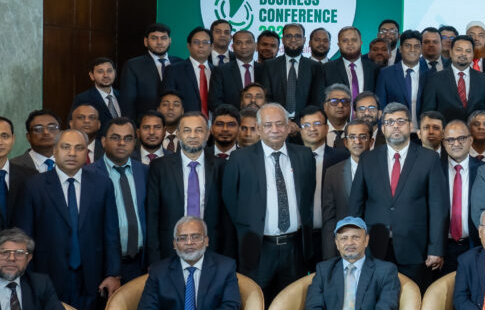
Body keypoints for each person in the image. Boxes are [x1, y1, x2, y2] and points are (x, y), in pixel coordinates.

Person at [12, 129, 122, 310]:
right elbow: (24, 237)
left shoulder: (102, 184)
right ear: (55, 150)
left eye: (79, 148)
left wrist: (113, 274)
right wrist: (28, 280)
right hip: (48, 277)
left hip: (93, 278)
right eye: (65, 147)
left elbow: (111, 232)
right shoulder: (34, 186)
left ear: (86, 153)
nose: (72, 153)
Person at [220, 103, 315, 297]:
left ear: (288, 127)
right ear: (259, 128)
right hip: (258, 249)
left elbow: (308, 196)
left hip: (295, 248)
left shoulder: (304, 156)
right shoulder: (239, 159)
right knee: (256, 304)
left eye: (280, 124)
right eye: (268, 125)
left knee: (293, 306)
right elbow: (229, 202)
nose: (275, 129)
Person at [347, 103, 446, 288]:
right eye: (390, 122)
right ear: (383, 128)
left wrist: (436, 248)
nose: (395, 126)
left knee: (413, 299)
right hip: (374, 248)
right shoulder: (368, 159)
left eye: (401, 121)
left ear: (410, 126)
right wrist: (354, 244)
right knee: (376, 300)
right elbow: (356, 205)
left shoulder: (429, 159)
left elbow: (438, 208)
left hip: (415, 249)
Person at [144, 113, 219, 269]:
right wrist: (154, 259)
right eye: (187, 130)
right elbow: (152, 216)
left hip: (211, 249)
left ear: (208, 134)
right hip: (169, 249)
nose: (193, 135)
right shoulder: (159, 167)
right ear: (178, 134)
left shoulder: (221, 166)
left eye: (199, 130)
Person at [89, 118, 150, 282]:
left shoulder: (145, 172)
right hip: (103, 267)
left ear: (135, 142)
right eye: (115, 137)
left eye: (128, 138)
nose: (122, 143)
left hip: (141, 263)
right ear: (103, 141)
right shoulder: (89, 174)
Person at [318, 120, 367, 261]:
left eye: (363, 136)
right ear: (345, 142)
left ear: (371, 141)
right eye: (352, 137)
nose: (357, 141)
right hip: (345, 249)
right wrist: (329, 256)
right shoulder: (333, 173)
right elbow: (329, 218)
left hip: (376, 246)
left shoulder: (382, 170)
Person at [440, 120, 482, 274]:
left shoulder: (484, 170)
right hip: (442, 249)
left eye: (461, 138)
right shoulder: (434, 170)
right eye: (450, 139)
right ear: (444, 143)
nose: (456, 143)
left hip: (475, 246)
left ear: (470, 140)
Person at [256, 23, 324, 115]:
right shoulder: (269, 66)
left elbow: (317, 100)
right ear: (283, 40)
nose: (293, 40)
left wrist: (302, 120)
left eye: (297, 36)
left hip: (306, 121)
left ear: (304, 40)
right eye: (288, 36)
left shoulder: (315, 67)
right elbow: (266, 98)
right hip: (276, 119)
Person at [422, 37, 485, 123]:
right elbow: (428, 113)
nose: (463, 54)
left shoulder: (484, 79)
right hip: (446, 130)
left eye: (468, 51)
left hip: (475, 130)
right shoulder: (435, 79)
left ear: (473, 54)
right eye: (459, 50)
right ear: (451, 52)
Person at [119, 24, 178, 120]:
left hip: (177, 122)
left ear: (170, 40)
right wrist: (131, 125)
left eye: (163, 38)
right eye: (154, 38)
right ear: (146, 42)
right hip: (145, 122)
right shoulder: (133, 65)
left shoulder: (180, 63)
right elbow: (128, 102)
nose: (159, 42)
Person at [373, 30, 430, 125]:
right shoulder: (385, 74)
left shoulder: (431, 75)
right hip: (394, 130)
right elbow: (380, 107)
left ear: (421, 50)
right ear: (400, 49)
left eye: (416, 46)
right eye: (408, 46)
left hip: (423, 131)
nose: (412, 49)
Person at [323, 26, 378, 102]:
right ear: (338, 44)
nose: (350, 43)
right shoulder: (326, 69)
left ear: (361, 42)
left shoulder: (375, 69)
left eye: (354, 40)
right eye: (345, 40)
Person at [210, 30, 261, 109]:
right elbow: (215, 102)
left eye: (248, 42)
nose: (244, 46)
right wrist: (234, 114)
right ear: (233, 47)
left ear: (255, 45)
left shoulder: (264, 70)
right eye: (239, 43)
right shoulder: (221, 71)